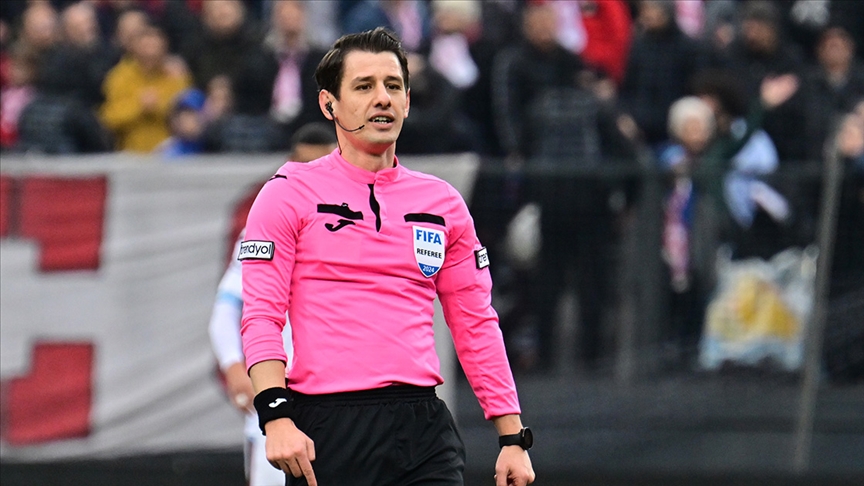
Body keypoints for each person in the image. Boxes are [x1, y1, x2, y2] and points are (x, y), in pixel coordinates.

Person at [239, 28, 535, 486]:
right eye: (364, 86)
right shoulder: (287, 194)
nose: (382, 98)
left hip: (424, 430)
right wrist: (275, 415)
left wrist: (513, 437)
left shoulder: (444, 203)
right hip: (327, 427)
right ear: (329, 105)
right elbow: (261, 315)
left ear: (408, 101)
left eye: (393, 85)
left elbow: (476, 322)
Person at [208, 123, 337, 486]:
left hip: (350, 400)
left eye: (322, 164)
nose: (313, 175)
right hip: (282, 404)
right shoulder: (267, 227)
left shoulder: (367, 226)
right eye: (304, 164)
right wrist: (235, 368)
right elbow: (227, 308)